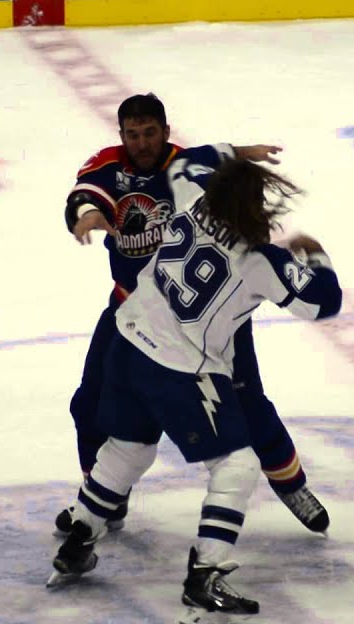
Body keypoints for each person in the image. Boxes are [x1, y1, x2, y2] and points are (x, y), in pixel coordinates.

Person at [49, 157, 343, 618]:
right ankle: (205, 573)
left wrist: (233, 151)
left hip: (127, 341)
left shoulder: (186, 199)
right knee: (237, 465)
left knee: (128, 448)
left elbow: (187, 160)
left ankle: (80, 537)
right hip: (179, 366)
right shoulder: (258, 259)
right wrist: (316, 255)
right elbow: (323, 304)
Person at [60, 93, 331, 534]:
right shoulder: (111, 166)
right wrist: (89, 214)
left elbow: (204, 159)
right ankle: (102, 499)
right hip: (135, 310)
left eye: (151, 133)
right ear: (121, 135)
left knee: (250, 406)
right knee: (90, 403)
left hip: (214, 325)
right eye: (133, 134)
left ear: (166, 132)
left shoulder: (184, 171)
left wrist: (241, 155)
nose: (142, 143)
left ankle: (292, 485)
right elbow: (83, 195)